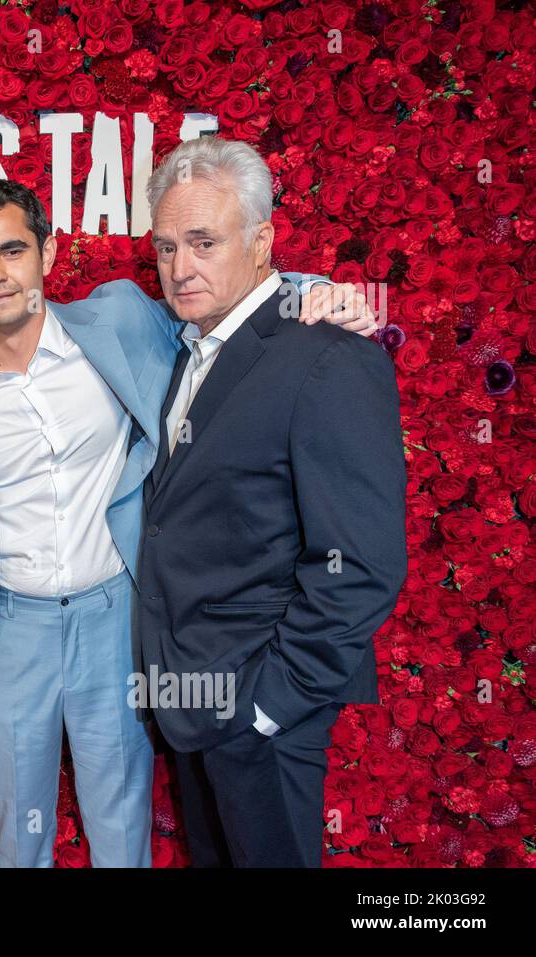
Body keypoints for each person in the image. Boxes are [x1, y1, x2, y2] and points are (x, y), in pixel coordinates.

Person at [0, 175, 377, 867]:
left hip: (113, 623)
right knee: (19, 836)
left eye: (12, 250)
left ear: (48, 253)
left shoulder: (117, 322)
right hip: (9, 636)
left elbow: (227, 299)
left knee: (122, 827)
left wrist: (313, 288)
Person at [138, 136, 407, 866]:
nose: (180, 267)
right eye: (165, 247)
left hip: (263, 710)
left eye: (202, 242)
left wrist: (270, 704)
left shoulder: (328, 354)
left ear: (262, 241)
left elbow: (363, 560)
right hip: (193, 704)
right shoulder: (194, 348)